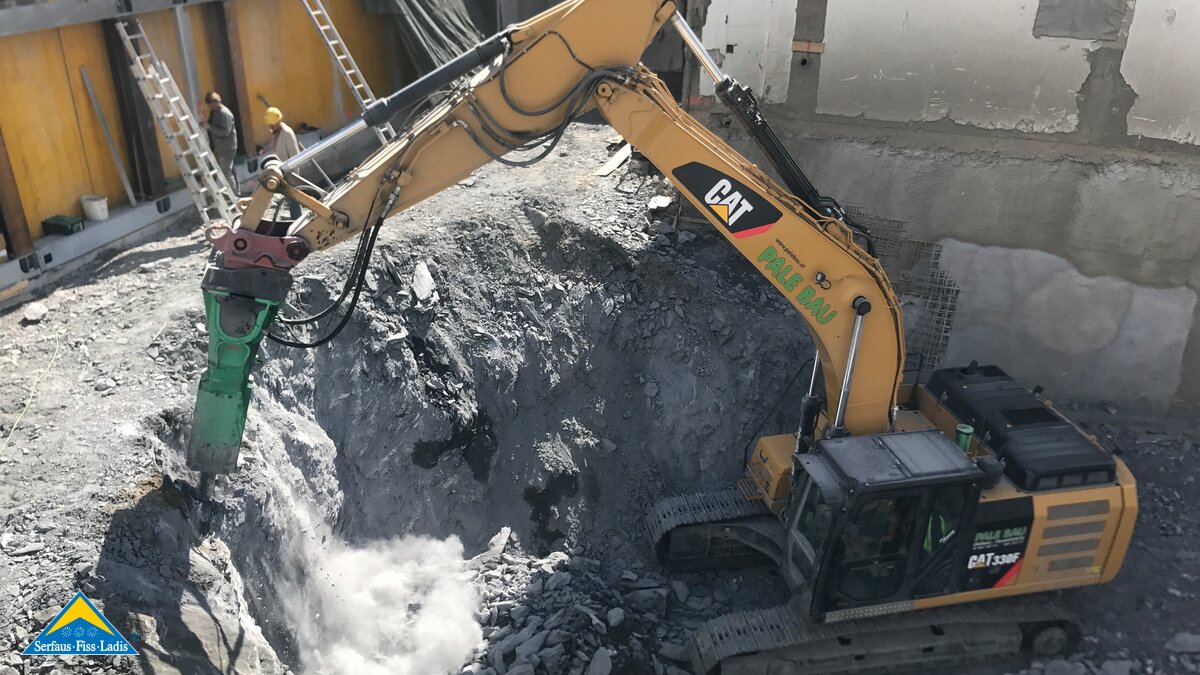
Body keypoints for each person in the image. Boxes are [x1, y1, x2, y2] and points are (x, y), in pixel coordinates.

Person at [264, 107, 302, 220]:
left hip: (290, 171)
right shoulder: (276, 132)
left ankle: (296, 218)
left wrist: (294, 177)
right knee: (288, 196)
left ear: (278, 121)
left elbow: (295, 156)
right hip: (282, 171)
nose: (270, 127)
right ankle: (293, 216)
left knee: (293, 196)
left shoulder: (287, 133)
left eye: (272, 124)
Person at [201, 91, 237, 192]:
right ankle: (235, 192)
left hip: (227, 148)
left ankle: (235, 195)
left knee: (226, 172)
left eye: (210, 105)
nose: (210, 107)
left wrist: (209, 127)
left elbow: (225, 132)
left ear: (216, 102)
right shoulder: (215, 112)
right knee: (229, 170)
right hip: (220, 147)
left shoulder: (224, 114)